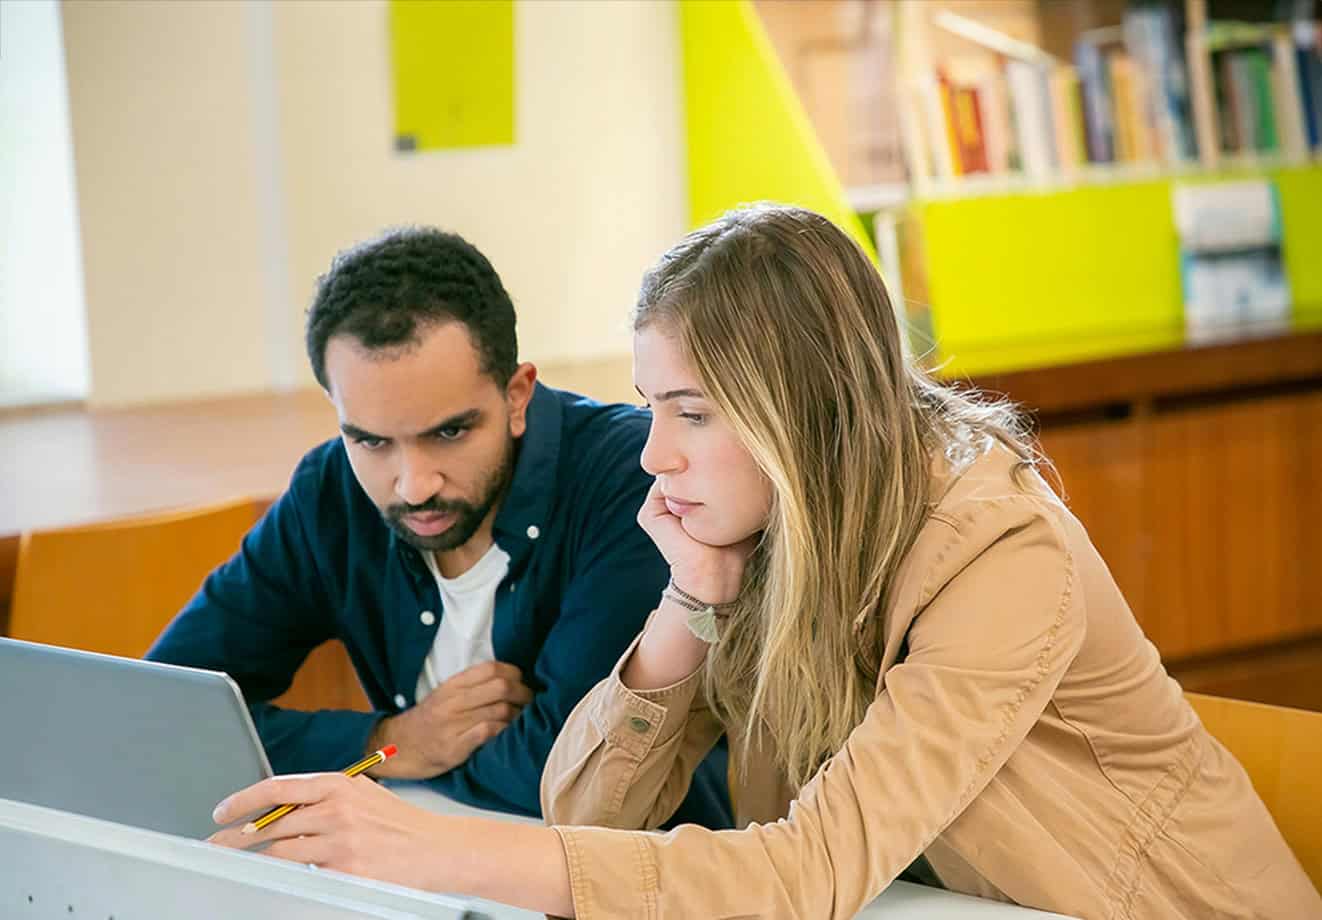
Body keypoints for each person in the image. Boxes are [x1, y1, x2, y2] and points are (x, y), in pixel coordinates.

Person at [209, 206, 1320, 919]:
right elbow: (587, 815)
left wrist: (445, 850)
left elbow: (803, 872)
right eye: (651, 407)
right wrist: (687, 605)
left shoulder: (997, 552)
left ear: (801, 412)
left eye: (690, 411)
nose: (652, 453)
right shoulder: (753, 531)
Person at [150, 226, 730, 827]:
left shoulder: (633, 479)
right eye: (371, 440)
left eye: (449, 432)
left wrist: (404, 761)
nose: (413, 484)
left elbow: (569, 776)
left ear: (516, 395)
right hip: (425, 866)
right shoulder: (330, 490)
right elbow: (167, 707)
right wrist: (391, 742)